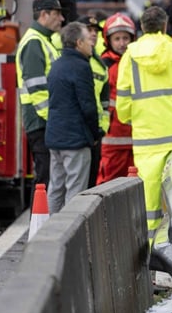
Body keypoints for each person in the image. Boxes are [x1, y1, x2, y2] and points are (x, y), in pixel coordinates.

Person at [115, 5, 172, 250]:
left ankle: (152, 252)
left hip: (148, 136)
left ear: (141, 28)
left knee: (149, 198)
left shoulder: (130, 56)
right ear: (166, 26)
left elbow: (123, 99)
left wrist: (131, 117)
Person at [45, 22, 102, 213]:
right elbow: (88, 107)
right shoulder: (81, 67)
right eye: (88, 40)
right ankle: (69, 238)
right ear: (79, 43)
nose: (92, 44)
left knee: (56, 188)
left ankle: (49, 232)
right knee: (75, 191)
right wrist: (95, 134)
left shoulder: (56, 65)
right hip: (75, 139)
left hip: (55, 137)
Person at [17, 0, 64, 189]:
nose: (61, 19)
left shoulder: (43, 40)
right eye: (57, 14)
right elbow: (36, 87)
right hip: (40, 120)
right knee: (45, 177)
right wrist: (51, 117)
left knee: (48, 176)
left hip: (43, 119)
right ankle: (38, 220)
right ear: (44, 15)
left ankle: (42, 218)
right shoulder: (34, 42)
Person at [97, 12, 137, 184]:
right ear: (109, 41)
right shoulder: (104, 65)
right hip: (112, 137)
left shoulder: (139, 60)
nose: (122, 43)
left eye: (125, 38)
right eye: (117, 39)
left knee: (137, 184)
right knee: (109, 183)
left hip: (138, 136)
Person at [77, 14, 111, 189]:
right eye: (88, 30)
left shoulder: (99, 64)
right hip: (77, 132)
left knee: (90, 181)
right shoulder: (72, 61)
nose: (93, 34)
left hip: (95, 132)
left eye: (95, 31)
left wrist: (102, 128)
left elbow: (104, 102)